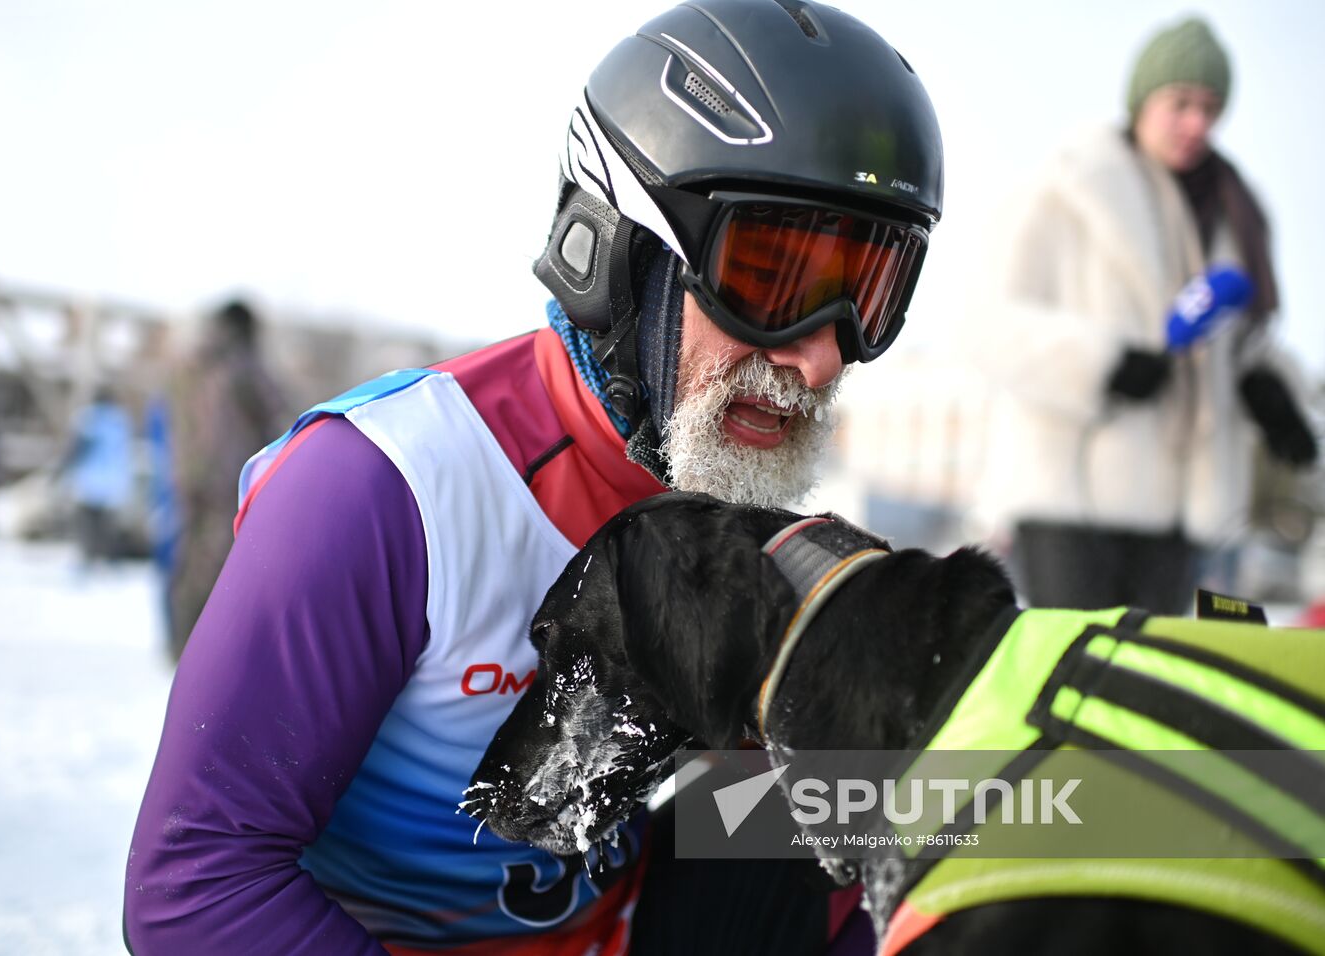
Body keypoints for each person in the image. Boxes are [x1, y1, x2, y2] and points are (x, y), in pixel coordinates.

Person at [124, 1, 943, 953]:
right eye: (773, 279)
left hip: (625, 923)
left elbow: (781, 851)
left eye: (871, 295)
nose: (821, 359)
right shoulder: (387, 490)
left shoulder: (738, 512)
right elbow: (196, 886)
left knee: (918, 805)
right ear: (615, 250)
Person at [968, 15, 1317, 615]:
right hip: (1071, 500)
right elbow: (987, 323)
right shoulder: (1066, 190)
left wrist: (1270, 390)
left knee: (1148, 681)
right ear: (1141, 100)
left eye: (1211, 108)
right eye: (1180, 103)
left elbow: (1243, 338)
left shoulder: (1234, 214)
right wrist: (1102, 365)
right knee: (1074, 675)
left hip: (1183, 510)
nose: (1196, 124)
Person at [163, 297, 288, 661]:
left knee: (187, 555)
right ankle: (206, 650)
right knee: (220, 562)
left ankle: (179, 641)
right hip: (229, 477)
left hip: (187, 473)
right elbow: (278, 410)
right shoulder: (242, 362)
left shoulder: (187, 362)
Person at [65, 384, 134, 567]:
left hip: (89, 480)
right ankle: (111, 560)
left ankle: (89, 558)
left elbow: (75, 450)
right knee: (108, 527)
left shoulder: (88, 419)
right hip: (113, 483)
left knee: (88, 525)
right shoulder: (120, 421)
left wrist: (64, 472)